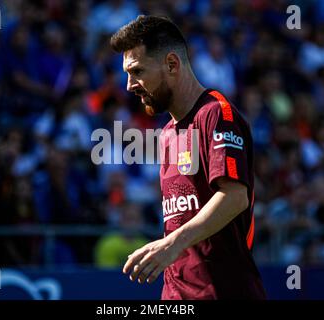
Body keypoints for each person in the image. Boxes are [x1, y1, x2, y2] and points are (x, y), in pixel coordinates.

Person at [110, 15, 267, 300]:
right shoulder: (167, 133)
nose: (129, 85)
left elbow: (234, 197)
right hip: (176, 295)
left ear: (171, 64)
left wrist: (170, 244)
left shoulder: (217, 114)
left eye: (137, 71)